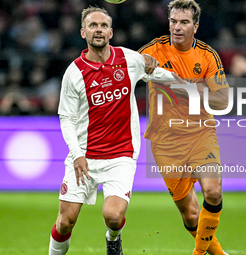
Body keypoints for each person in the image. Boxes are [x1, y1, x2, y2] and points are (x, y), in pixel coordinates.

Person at [48, 6, 177, 255]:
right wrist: (76, 154)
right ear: (83, 32)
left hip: (121, 154)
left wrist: (191, 83)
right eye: (93, 26)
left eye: (103, 26)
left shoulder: (129, 59)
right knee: (65, 222)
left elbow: (159, 73)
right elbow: (66, 118)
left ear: (111, 32)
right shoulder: (74, 72)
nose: (99, 30)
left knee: (113, 217)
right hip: (84, 154)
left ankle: (113, 238)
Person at [138, 1, 230, 254]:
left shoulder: (207, 55)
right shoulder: (152, 50)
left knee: (212, 191)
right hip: (164, 141)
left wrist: (189, 89)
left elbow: (223, 100)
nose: (177, 27)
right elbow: (120, 69)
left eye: (184, 22)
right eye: (173, 21)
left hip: (200, 133)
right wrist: (137, 63)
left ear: (195, 26)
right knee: (190, 215)